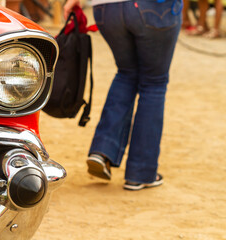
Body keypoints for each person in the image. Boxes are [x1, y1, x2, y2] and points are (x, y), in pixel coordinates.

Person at [64, 0, 181, 190]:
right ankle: (141, 172)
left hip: (105, 8)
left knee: (126, 73)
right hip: (152, 8)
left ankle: (102, 151)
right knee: (154, 82)